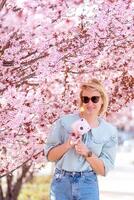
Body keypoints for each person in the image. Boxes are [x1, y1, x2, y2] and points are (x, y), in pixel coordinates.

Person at [45, 78, 118, 200]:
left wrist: (87, 153)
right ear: (81, 101)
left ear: (102, 101)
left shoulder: (109, 131)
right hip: (61, 183)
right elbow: (49, 156)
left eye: (95, 99)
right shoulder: (64, 123)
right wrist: (67, 145)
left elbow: (103, 170)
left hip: (87, 184)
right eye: (86, 99)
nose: (90, 104)